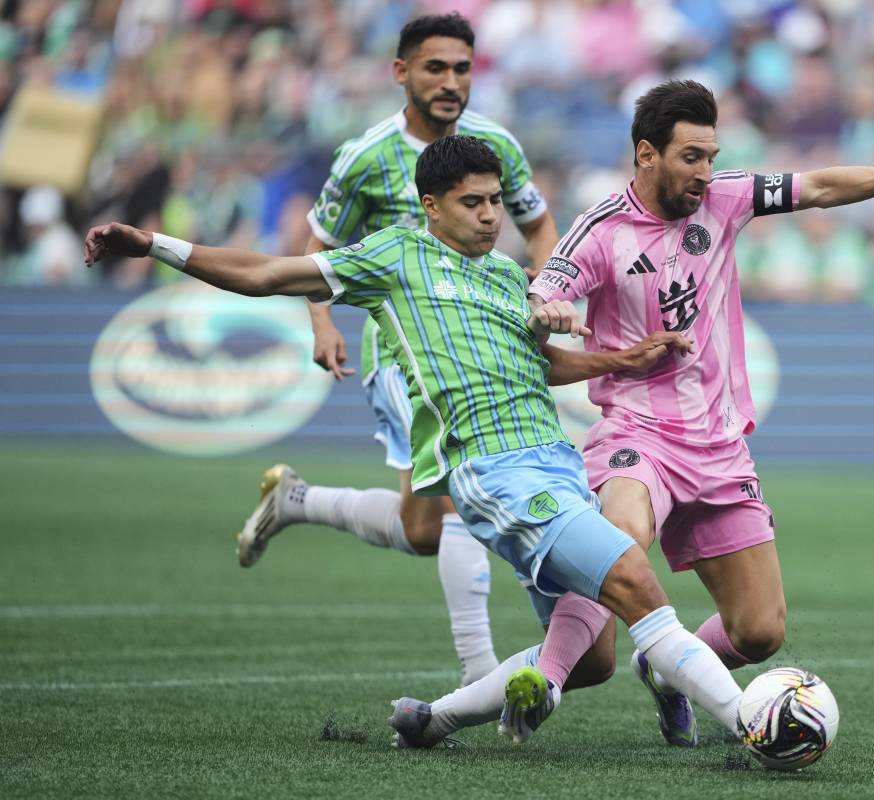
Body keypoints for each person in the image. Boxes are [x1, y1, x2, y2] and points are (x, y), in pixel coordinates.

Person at [84, 133, 739, 750]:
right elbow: (264, 274)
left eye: (496, 203)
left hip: (556, 464)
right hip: (495, 471)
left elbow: (540, 368)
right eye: (473, 203)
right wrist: (152, 244)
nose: (491, 217)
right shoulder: (393, 258)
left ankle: (430, 721)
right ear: (432, 205)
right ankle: (753, 721)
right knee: (635, 578)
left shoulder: (510, 280)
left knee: (589, 659)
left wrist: (621, 359)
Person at [410, 80, 874, 749]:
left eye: (712, 155)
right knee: (621, 539)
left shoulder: (727, 198)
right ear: (647, 154)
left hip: (718, 448)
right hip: (635, 436)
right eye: (691, 157)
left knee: (760, 630)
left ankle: (661, 666)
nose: (705, 172)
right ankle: (549, 681)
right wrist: (549, 317)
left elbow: (820, 186)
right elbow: (541, 305)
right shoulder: (599, 232)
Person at [236, 13, 561, 688]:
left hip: (481, 344)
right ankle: (482, 677)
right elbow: (318, 249)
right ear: (401, 72)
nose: (450, 82)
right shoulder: (365, 157)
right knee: (457, 505)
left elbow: (538, 225)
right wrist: (322, 325)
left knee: (422, 529)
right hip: (404, 356)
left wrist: (547, 290)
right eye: (435, 68)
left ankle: (297, 502)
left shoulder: (497, 143)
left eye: (463, 69)